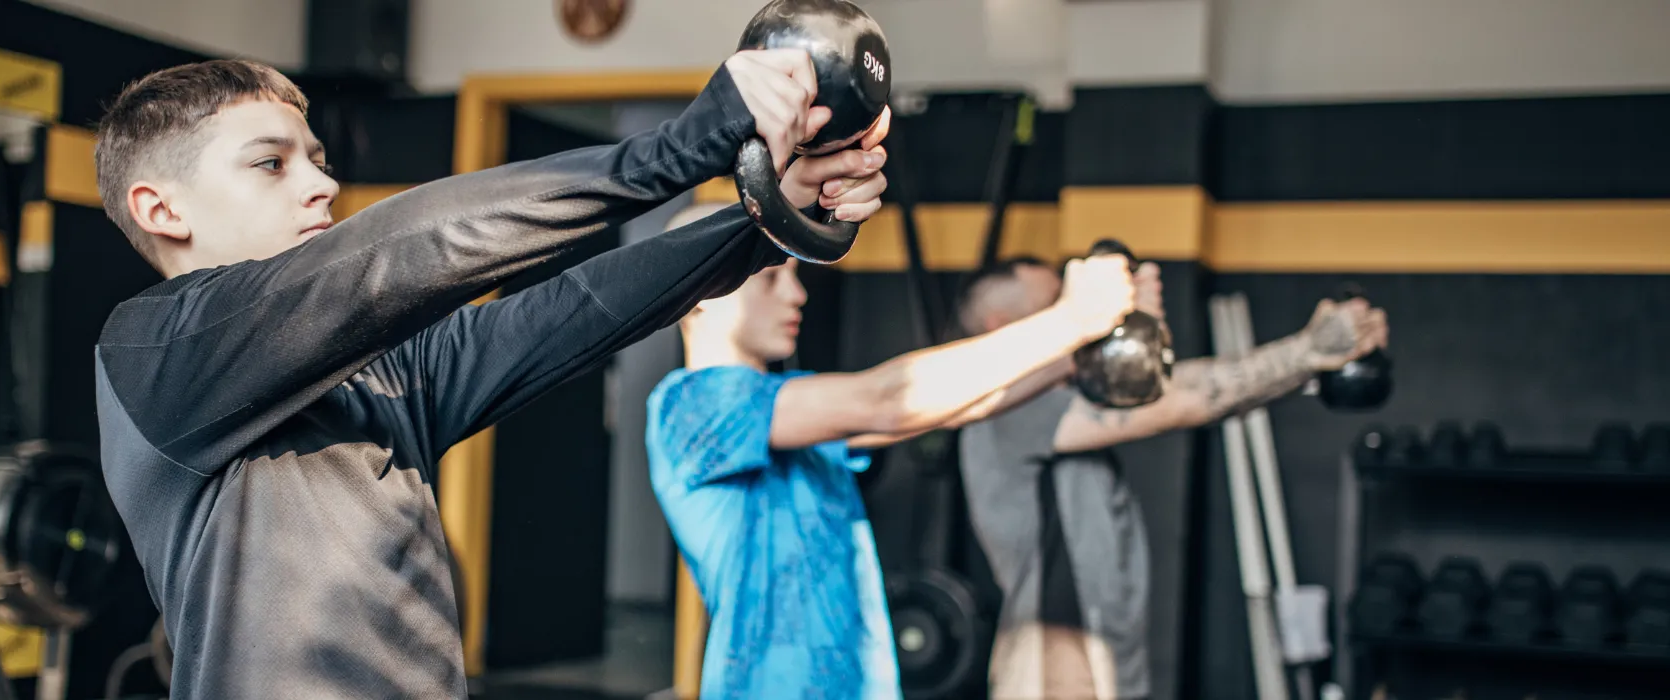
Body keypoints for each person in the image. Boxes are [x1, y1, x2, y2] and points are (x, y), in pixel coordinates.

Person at [90, 51, 893, 699]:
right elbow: (406, 253)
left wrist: (768, 218)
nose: (321, 184)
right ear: (162, 210)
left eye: (317, 159)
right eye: (271, 164)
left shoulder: (378, 373)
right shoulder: (155, 352)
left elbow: (576, 309)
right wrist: (681, 148)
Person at [645, 227, 1149, 699]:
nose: (797, 295)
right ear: (700, 294)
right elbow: (885, 400)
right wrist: (1070, 320)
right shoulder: (691, 406)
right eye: (771, 279)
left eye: (794, 277)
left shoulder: (792, 405)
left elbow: (955, 405)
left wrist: (1099, 340)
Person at [952, 257, 1390, 700]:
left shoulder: (1062, 400)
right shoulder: (1006, 409)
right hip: (1057, 666)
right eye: (1054, 305)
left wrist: (1139, 323)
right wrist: (1308, 350)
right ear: (1000, 326)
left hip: (1104, 656)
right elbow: (1184, 399)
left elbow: (1151, 385)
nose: (1073, 313)